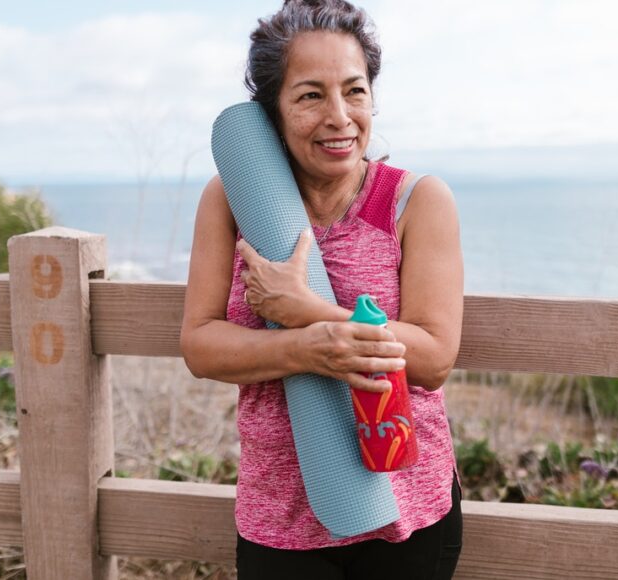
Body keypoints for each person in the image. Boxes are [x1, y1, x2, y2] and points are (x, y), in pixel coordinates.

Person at [180, 1, 464, 578]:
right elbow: (201, 346)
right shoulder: (232, 200)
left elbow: (433, 358)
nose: (340, 117)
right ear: (273, 110)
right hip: (278, 516)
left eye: (355, 92)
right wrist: (304, 347)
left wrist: (307, 309)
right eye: (311, 96)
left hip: (406, 507)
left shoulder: (416, 201)